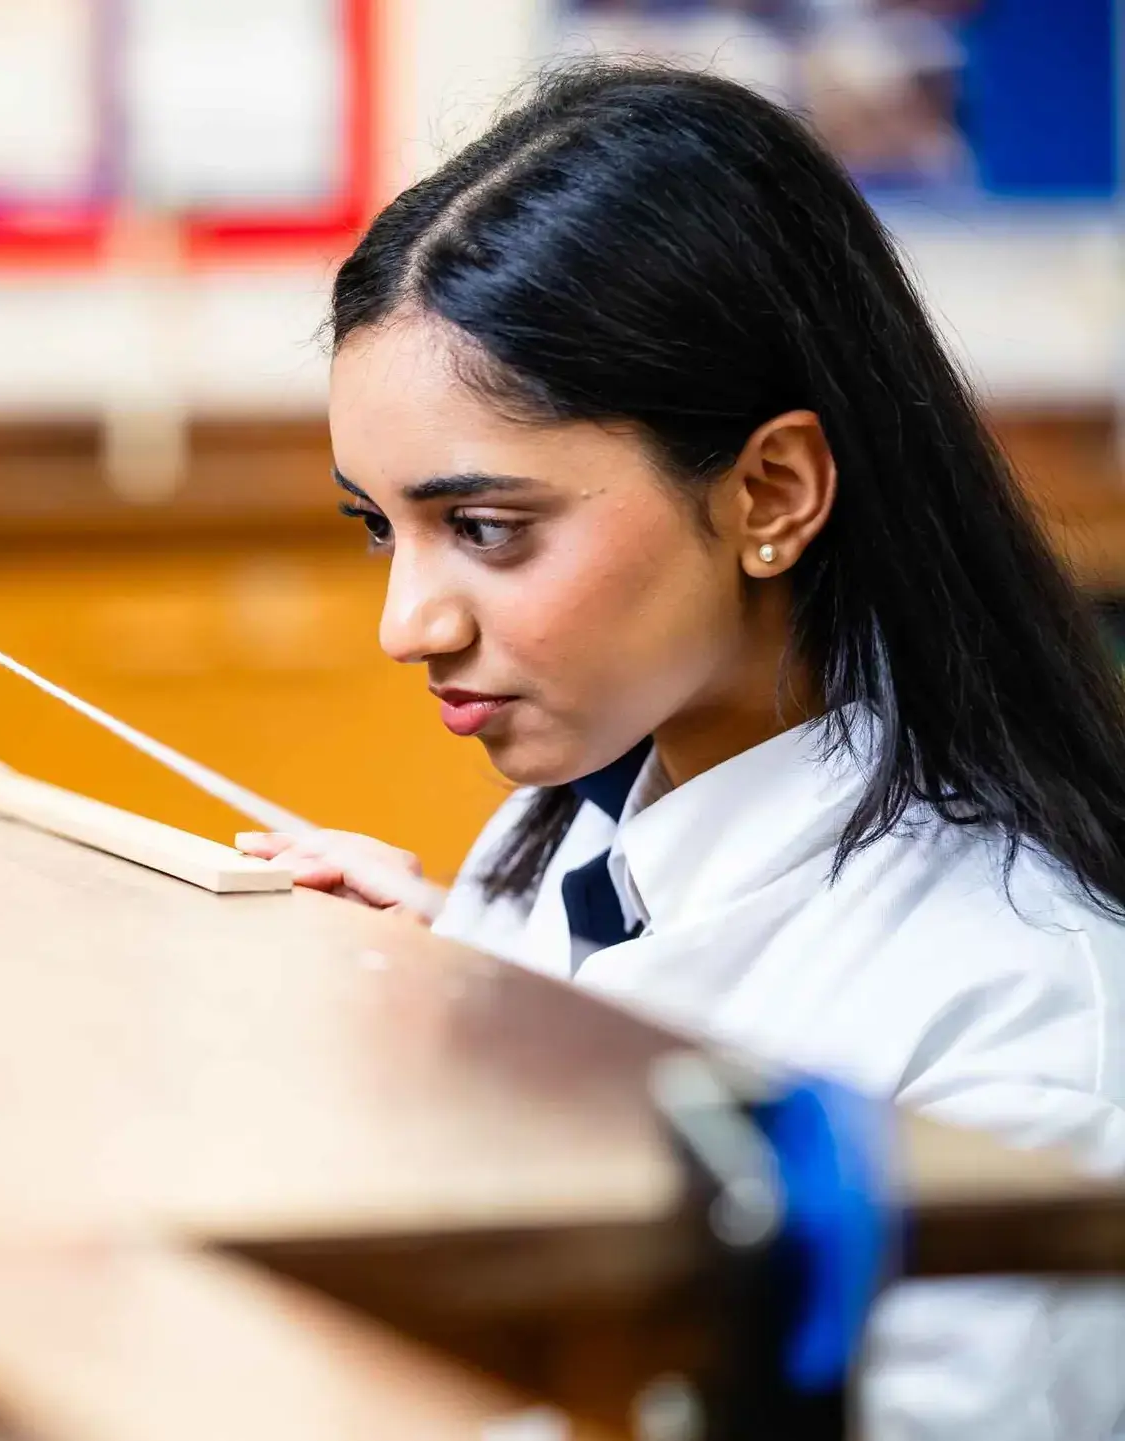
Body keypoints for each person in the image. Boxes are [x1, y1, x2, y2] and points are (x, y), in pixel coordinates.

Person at [237, 62, 1125, 1439]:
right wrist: (461, 987)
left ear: (770, 491)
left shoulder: (1016, 1010)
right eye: (379, 526)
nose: (405, 624)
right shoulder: (561, 853)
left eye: (485, 529)